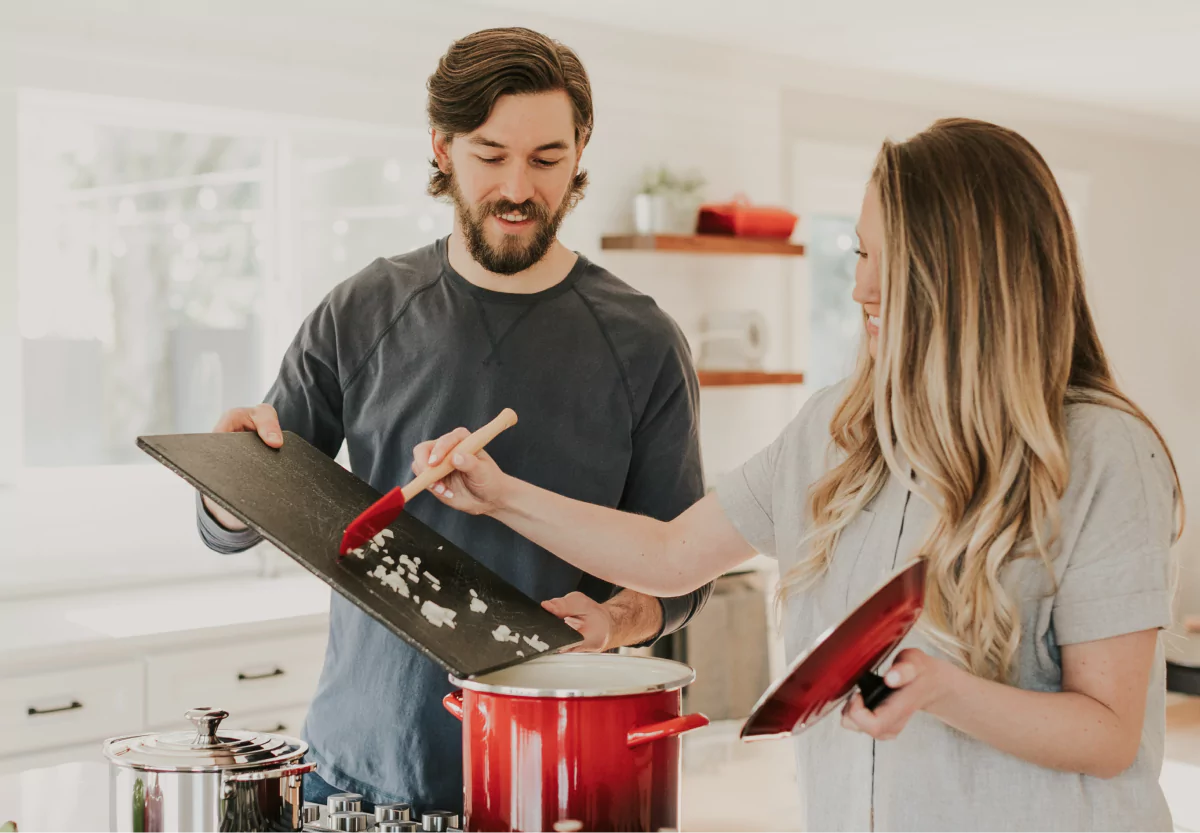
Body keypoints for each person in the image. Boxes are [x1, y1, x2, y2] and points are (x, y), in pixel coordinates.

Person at [414, 118, 1185, 832]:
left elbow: (1110, 731)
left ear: (968, 276)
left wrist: (944, 690)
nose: (860, 288)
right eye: (859, 253)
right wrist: (499, 494)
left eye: (887, 259)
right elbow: (673, 553)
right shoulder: (835, 429)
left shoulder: (1102, 453)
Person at [195, 27, 711, 811]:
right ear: (441, 147)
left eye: (545, 159)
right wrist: (223, 486)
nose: (518, 187)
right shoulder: (361, 309)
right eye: (490, 154)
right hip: (354, 775)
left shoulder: (643, 344)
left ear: (580, 151)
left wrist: (615, 618)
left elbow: (683, 573)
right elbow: (244, 510)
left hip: (555, 777)